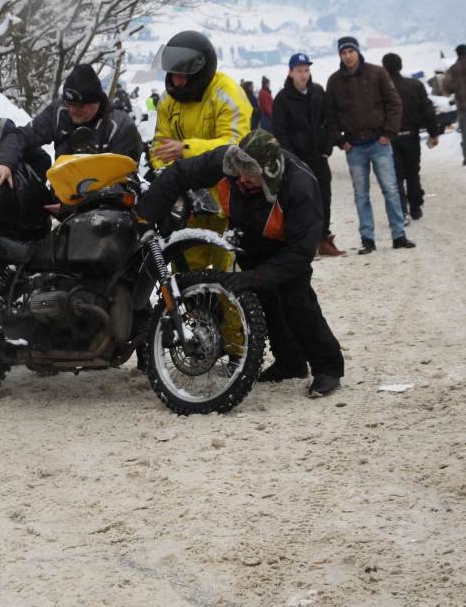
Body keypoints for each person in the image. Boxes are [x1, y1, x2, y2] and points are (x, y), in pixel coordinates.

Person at [136, 130, 344, 398]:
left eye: (250, 174)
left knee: (297, 299)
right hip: (250, 234)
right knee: (265, 300)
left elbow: (301, 252)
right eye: (239, 172)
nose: (241, 179)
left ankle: (328, 367)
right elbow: (179, 173)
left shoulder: (300, 187)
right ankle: (290, 362)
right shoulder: (228, 162)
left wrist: (255, 276)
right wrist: (146, 214)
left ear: (269, 172)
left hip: (288, 246)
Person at [150, 30, 253, 269]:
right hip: (188, 203)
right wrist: (168, 178)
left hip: (227, 200)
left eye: (182, 75)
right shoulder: (167, 100)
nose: (176, 81)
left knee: (229, 270)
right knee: (185, 270)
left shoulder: (226, 93)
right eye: (173, 74)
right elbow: (159, 148)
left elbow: (236, 145)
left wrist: (186, 149)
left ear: (200, 72)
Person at [325, 36, 413, 254]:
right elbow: (330, 115)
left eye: (350, 51)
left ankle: (399, 235)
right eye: (343, 53)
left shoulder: (377, 73)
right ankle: (368, 239)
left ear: (357, 51)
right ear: (339, 55)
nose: (348, 56)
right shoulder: (334, 81)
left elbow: (394, 103)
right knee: (361, 194)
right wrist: (341, 141)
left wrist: (389, 133)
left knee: (390, 189)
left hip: (379, 142)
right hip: (354, 145)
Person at [272, 52, 342, 257]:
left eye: (306, 70)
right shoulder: (282, 99)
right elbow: (280, 131)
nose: (303, 75)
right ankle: (303, 244)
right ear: (290, 73)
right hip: (297, 161)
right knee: (301, 201)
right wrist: (292, 158)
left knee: (324, 197)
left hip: (319, 156)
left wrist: (327, 147)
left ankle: (323, 239)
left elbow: (329, 120)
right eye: (299, 71)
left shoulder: (318, 92)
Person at [23, 63, 143, 162]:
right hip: (63, 182)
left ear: (96, 102)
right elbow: (23, 135)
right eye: (69, 104)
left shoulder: (120, 127)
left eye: (79, 105)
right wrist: (9, 165)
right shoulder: (60, 110)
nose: (72, 110)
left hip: (105, 183)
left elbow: (123, 175)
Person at [381, 53, 440, 221]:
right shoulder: (415, 85)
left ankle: (402, 210)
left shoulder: (381, 88)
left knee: (396, 176)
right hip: (411, 136)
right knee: (413, 173)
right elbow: (428, 111)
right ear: (400, 66)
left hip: (389, 138)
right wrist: (433, 133)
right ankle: (416, 207)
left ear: (384, 68)